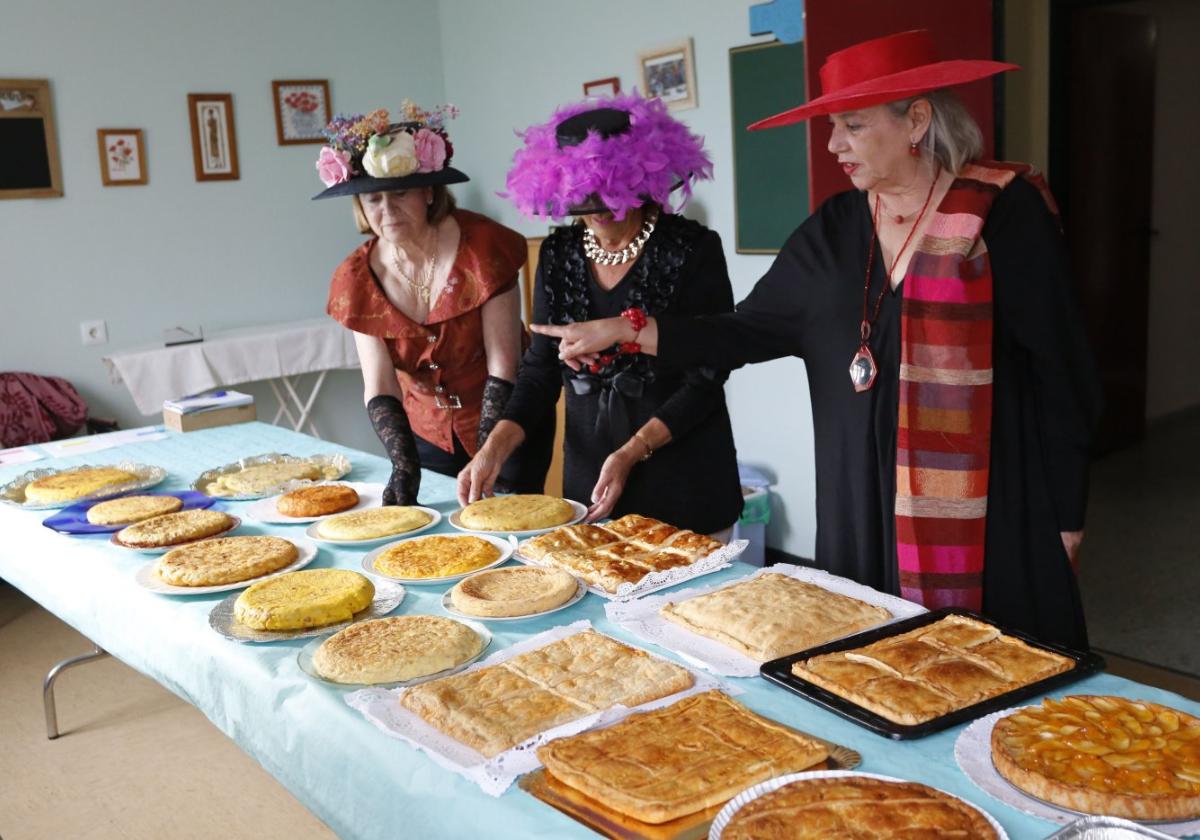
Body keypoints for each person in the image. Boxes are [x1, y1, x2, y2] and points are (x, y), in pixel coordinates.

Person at [532, 31, 1102, 648]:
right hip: (857, 504)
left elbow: (1062, 374)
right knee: (873, 665)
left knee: (992, 666)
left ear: (915, 120)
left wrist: (1067, 513)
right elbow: (742, 331)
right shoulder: (834, 229)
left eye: (852, 126)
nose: (833, 145)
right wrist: (630, 330)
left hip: (989, 510)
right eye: (834, 126)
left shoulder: (1005, 215)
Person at [457, 94, 743, 536]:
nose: (597, 212)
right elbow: (539, 373)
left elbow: (707, 375)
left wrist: (632, 452)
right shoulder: (557, 253)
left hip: (685, 483)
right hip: (590, 485)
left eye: (611, 194)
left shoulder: (693, 249)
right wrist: (494, 447)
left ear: (641, 178)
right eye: (583, 199)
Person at [314, 103, 552, 505]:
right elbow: (380, 384)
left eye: (399, 193)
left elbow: (504, 364)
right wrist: (403, 464)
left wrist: (486, 455)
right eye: (373, 201)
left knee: (513, 527)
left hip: (507, 424)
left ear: (428, 191)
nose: (386, 210)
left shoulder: (485, 248)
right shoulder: (354, 281)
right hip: (425, 432)